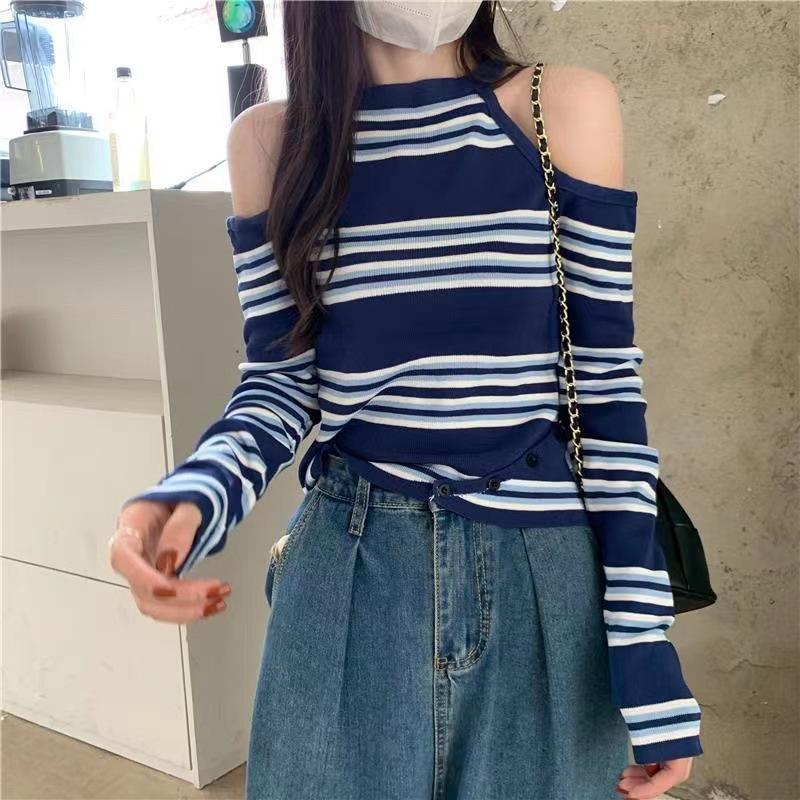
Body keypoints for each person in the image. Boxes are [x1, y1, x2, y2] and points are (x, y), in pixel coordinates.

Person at [109, 2, 703, 798]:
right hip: (351, 571)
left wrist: (645, 648)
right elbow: (281, 382)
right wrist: (191, 495)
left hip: (543, 575)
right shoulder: (272, 143)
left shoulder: (559, 107)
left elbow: (607, 393)